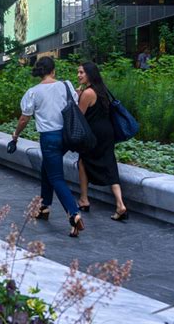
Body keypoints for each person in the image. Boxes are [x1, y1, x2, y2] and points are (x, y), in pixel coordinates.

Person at [12, 56, 85, 237]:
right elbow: (73, 102)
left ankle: (73, 214)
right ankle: (44, 207)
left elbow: (24, 118)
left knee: (56, 177)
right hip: (67, 137)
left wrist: (15, 135)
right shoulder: (66, 86)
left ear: (40, 72)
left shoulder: (33, 92)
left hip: (50, 138)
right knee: (47, 168)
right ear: (53, 70)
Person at [76, 62, 128, 221]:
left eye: (81, 73)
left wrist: (77, 97)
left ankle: (84, 200)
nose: (78, 75)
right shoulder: (103, 89)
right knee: (110, 165)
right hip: (107, 132)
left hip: (94, 134)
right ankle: (120, 204)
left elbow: (79, 116)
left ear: (90, 74)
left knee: (83, 162)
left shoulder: (88, 93)